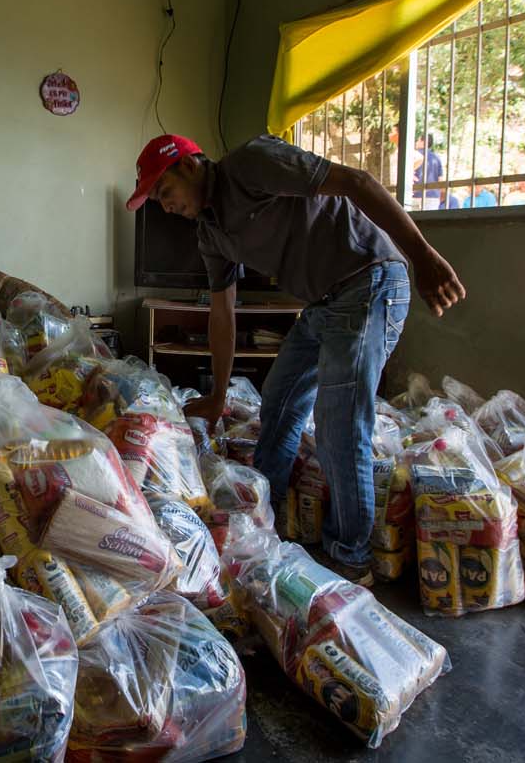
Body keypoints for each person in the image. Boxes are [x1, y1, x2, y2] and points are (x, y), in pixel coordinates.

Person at [126, 133, 465, 585]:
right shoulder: (211, 232)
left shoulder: (251, 163)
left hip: (370, 281)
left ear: (188, 166)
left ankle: (350, 558)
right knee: (279, 400)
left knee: (340, 425)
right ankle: (263, 516)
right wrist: (217, 395)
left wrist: (422, 256)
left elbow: (358, 182)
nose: (165, 207)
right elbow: (223, 313)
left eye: (164, 193)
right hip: (324, 302)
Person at [412, 133, 443, 209]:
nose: (416, 142)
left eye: (418, 140)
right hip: (433, 197)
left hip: (415, 195)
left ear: (423, 142)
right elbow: (440, 180)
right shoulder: (437, 158)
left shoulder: (414, 155)